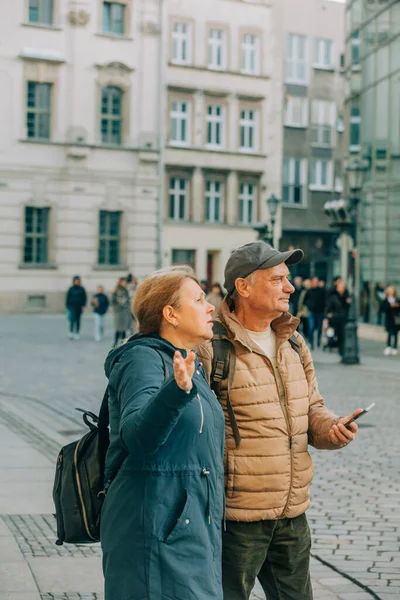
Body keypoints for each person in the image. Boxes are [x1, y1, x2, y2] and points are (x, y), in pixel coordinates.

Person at [197, 241, 362, 600]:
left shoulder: (293, 342)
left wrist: (331, 428)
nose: (290, 287)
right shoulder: (211, 345)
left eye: (288, 279)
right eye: (278, 280)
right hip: (235, 519)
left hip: (291, 514)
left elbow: (312, 408)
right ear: (243, 286)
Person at [100, 266, 225, 600]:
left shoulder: (188, 363)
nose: (210, 306)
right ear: (170, 314)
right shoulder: (141, 359)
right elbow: (137, 436)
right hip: (155, 530)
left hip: (189, 527)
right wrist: (176, 389)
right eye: (199, 299)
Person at [325, 280, 351, 355]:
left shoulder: (346, 296)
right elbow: (329, 306)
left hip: (343, 318)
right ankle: (332, 344)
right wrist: (328, 314)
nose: (342, 289)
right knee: (334, 333)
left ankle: (341, 349)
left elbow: (347, 308)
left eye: (343, 287)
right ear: (337, 288)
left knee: (342, 334)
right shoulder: (333, 296)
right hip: (335, 319)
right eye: (340, 287)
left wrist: (348, 303)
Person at [304, 276, 327, 349]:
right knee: (311, 327)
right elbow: (305, 301)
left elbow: (325, 300)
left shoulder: (322, 291)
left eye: (317, 281)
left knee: (320, 328)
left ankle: (318, 342)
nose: (316, 283)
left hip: (320, 312)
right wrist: (309, 305)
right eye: (314, 281)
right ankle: (311, 342)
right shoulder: (309, 291)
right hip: (312, 312)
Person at [111, 278, 132, 347]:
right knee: (118, 328)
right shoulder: (117, 290)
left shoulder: (125, 290)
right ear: (120, 282)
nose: (124, 283)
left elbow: (127, 299)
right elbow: (115, 301)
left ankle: (123, 343)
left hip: (125, 312)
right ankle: (116, 343)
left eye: (125, 282)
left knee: (123, 329)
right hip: (119, 312)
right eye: (123, 282)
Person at [65, 276, 87, 340]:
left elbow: (84, 298)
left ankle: (77, 332)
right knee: (72, 319)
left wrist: (83, 305)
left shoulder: (82, 289)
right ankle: (71, 332)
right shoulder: (71, 289)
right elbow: (68, 297)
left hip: (79, 307)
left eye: (78, 281)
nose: (77, 282)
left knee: (78, 320)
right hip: (72, 306)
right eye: (76, 281)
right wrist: (67, 306)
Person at [381, 285, 400, 356]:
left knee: (395, 334)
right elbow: (382, 308)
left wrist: (396, 306)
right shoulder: (386, 300)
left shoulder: (397, 299)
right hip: (389, 319)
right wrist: (390, 306)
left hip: (396, 319)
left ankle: (394, 348)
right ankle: (388, 347)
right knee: (389, 333)